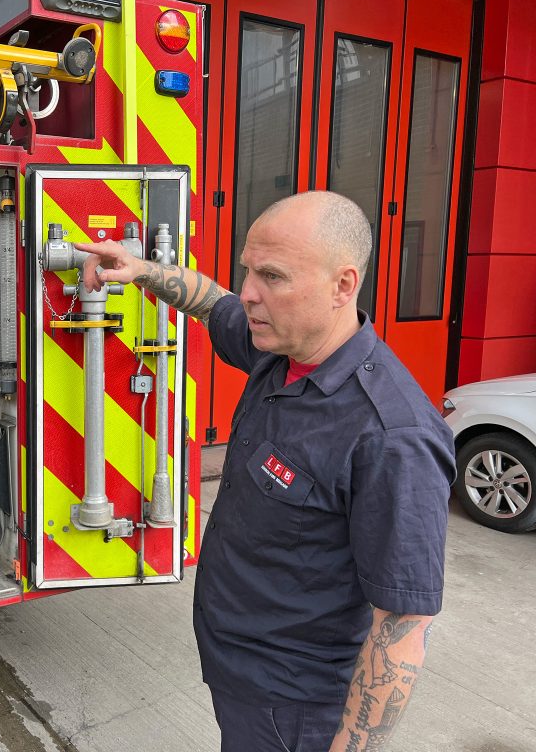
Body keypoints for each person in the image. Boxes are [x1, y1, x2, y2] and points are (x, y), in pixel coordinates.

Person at [72, 191, 454, 752]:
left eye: (272, 276)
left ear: (343, 285)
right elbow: (211, 301)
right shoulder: (281, 347)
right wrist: (141, 270)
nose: (249, 293)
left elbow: (402, 626)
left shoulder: (393, 436)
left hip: (294, 709)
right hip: (238, 671)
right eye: (249, 270)